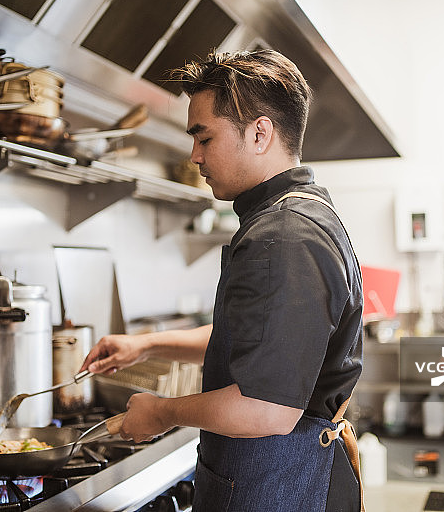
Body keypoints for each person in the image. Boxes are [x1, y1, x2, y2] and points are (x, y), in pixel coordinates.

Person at [80, 49, 364, 511]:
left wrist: (161, 413)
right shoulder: (300, 213)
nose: (194, 155)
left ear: (259, 133)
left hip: (273, 486)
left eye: (204, 137)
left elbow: (264, 408)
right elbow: (263, 340)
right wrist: (148, 345)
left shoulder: (283, 235)